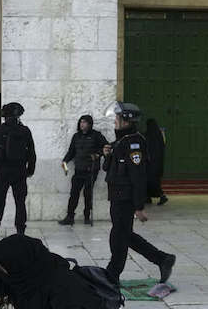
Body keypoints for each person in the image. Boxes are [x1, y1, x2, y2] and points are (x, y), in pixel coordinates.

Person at [102, 102, 175, 283]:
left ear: (126, 121)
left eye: (118, 118)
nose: (115, 122)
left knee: (119, 236)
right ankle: (162, 259)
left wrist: (139, 206)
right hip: (117, 196)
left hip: (125, 197)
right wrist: (107, 154)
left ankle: (112, 274)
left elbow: (138, 177)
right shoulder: (120, 141)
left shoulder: (134, 143)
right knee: (122, 234)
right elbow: (108, 169)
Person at [0, 102, 36, 238]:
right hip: (19, 171)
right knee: (20, 202)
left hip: (2, 171)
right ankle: (20, 230)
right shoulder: (25, 131)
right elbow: (31, 153)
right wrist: (30, 169)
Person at [58, 115, 108, 226]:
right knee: (74, 194)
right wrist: (65, 161)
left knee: (87, 194)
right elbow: (71, 151)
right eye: (81, 122)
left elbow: (106, 147)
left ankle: (87, 217)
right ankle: (70, 217)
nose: (82, 124)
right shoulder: (76, 136)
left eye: (84, 122)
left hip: (91, 170)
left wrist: (98, 154)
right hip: (79, 169)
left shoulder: (96, 135)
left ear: (89, 124)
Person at [145, 118, 168, 206]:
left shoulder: (147, 135)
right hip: (158, 163)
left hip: (150, 164)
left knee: (150, 182)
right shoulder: (159, 136)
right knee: (154, 181)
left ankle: (161, 196)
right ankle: (148, 197)